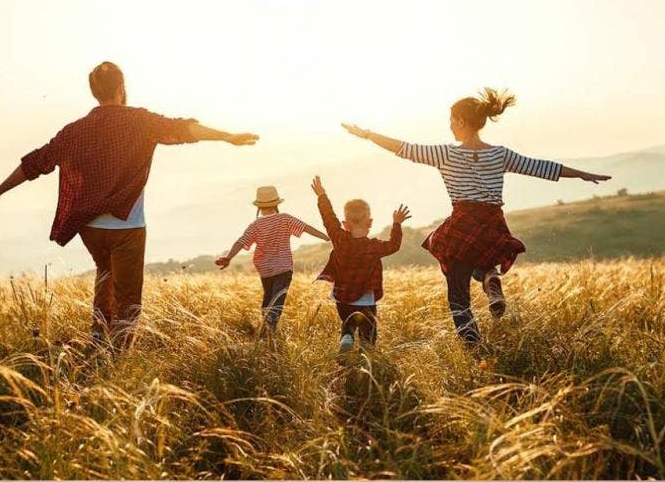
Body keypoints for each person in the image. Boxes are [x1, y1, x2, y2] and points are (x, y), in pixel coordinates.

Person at [0, 61, 259, 350]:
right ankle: (117, 354)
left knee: (104, 273)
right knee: (128, 296)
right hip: (127, 227)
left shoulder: (74, 131)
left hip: (89, 228)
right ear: (121, 88)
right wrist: (227, 137)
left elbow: (36, 163)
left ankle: (98, 336)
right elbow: (184, 129)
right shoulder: (140, 121)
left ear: (95, 92)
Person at [341, 88, 610, 345]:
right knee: (482, 259)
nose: (449, 126)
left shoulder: (446, 153)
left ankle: (473, 345)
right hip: (492, 222)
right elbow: (541, 167)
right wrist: (583, 174)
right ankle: (490, 279)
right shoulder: (500, 154)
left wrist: (367, 135)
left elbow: (403, 148)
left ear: (460, 120)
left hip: (463, 223)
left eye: (450, 120)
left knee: (458, 296)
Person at [310, 176, 410, 355]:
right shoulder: (374, 247)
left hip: (342, 296)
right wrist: (397, 224)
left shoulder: (339, 239)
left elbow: (328, 217)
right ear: (370, 223)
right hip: (366, 298)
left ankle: (347, 334)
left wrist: (322, 195)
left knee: (348, 321)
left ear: (344, 224)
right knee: (368, 331)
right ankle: (366, 356)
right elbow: (394, 245)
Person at [215, 186, 329, 333]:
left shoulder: (255, 225)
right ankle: (268, 332)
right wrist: (326, 237)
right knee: (277, 302)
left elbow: (241, 242)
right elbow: (305, 228)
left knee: (268, 300)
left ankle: (265, 330)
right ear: (276, 204)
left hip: (265, 270)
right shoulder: (285, 218)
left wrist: (229, 257)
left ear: (259, 206)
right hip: (283, 268)